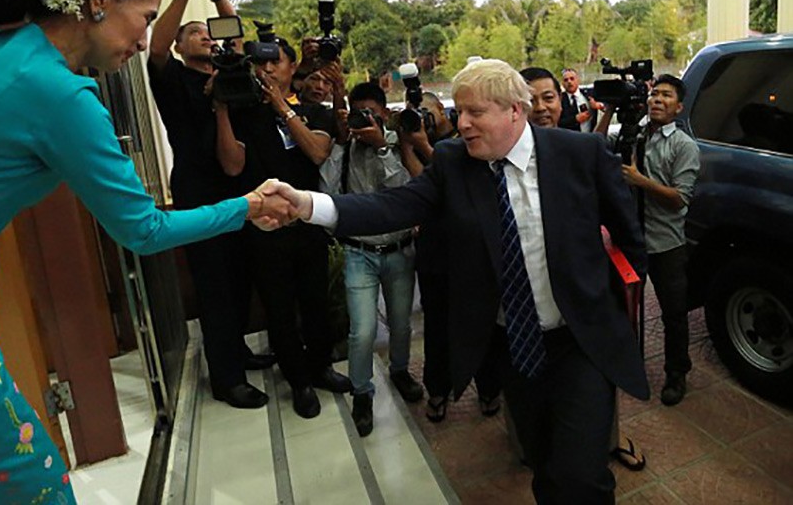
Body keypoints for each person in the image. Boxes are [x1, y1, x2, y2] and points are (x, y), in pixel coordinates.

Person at [0, 0, 292, 504]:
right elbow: (143, 230)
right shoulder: (61, 95)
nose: (145, 37)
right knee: (29, 480)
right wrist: (248, 207)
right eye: (146, 16)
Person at [270, 59, 649, 503]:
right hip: (516, 348)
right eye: (459, 111)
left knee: (583, 474)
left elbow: (629, 236)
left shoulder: (579, 155)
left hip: (581, 341)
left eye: (475, 112)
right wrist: (307, 206)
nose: (461, 123)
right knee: (542, 461)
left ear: (515, 111)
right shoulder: (454, 162)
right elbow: (393, 206)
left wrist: (616, 300)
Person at [147, 0, 272, 410]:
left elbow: (234, 39)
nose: (204, 33)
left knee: (239, 279)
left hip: (237, 186)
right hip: (197, 189)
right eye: (193, 32)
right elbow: (156, 48)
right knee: (214, 283)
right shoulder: (173, 76)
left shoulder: (229, 75)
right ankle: (226, 378)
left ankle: (235, 352)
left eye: (208, 30)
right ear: (181, 48)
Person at [215, 36, 352, 419]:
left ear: (294, 68)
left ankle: (321, 368)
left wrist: (280, 104)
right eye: (263, 62)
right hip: (263, 227)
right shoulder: (244, 113)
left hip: (307, 222)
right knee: (278, 309)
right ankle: (299, 382)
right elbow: (231, 167)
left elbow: (318, 152)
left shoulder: (314, 111)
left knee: (315, 303)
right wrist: (223, 110)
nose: (269, 68)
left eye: (277, 62)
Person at [521, 66, 648, 472]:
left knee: (595, 385)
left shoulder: (586, 151)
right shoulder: (499, 161)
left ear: (562, 101)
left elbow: (625, 226)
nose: (541, 108)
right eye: (531, 99)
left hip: (587, 299)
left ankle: (606, 442)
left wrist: (625, 284)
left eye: (549, 98)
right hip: (529, 306)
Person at [321, 82, 423, 437]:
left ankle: (399, 370)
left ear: (384, 114)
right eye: (359, 114)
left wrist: (382, 147)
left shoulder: (396, 146)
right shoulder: (344, 149)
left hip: (398, 249)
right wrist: (339, 141)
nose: (366, 121)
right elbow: (327, 194)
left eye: (372, 115)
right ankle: (362, 392)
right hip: (358, 252)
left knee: (400, 322)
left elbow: (403, 195)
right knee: (362, 331)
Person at [596, 74, 700, 406]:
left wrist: (642, 181)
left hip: (666, 244)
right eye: (655, 94)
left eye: (666, 96)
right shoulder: (635, 135)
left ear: (678, 107)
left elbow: (679, 199)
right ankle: (626, 363)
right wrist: (610, 110)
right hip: (630, 239)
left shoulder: (684, 146)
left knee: (673, 313)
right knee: (621, 308)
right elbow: (594, 148)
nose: (657, 99)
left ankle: (676, 373)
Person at [399, 92, 502, 423]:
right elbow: (423, 187)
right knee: (438, 327)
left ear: (444, 113)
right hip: (435, 253)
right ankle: (438, 391)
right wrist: (406, 145)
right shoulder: (419, 146)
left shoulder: (467, 141)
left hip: (472, 252)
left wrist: (426, 145)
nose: (424, 121)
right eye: (418, 115)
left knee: (483, 322)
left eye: (428, 114)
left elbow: (460, 182)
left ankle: (489, 388)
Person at [559, 67, 598, 132]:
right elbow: (557, 123)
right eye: (566, 80)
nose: (569, 82)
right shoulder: (559, 100)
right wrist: (575, 119)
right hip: (570, 138)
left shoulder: (589, 94)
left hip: (590, 136)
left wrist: (597, 105)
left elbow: (606, 106)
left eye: (572, 79)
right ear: (562, 84)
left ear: (578, 80)